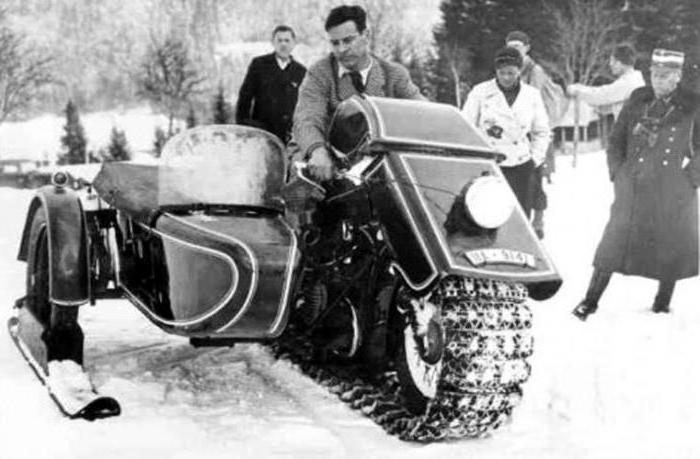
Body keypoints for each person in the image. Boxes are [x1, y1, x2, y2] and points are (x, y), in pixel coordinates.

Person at [572, 49, 700, 320]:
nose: (658, 81)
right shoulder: (638, 99)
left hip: (671, 189)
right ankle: (590, 301)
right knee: (612, 242)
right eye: (654, 74)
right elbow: (616, 140)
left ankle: (662, 302)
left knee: (670, 244)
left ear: (677, 77)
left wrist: (690, 179)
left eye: (665, 76)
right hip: (633, 184)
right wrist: (618, 172)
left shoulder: (692, 105)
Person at [292, 5, 423, 182]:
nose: (341, 50)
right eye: (335, 43)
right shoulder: (319, 72)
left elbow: (424, 112)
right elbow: (307, 117)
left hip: (376, 160)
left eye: (348, 40)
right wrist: (317, 150)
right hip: (325, 154)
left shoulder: (394, 74)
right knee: (303, 188)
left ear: (366, 36)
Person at [462, 46, 550, 217]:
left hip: (521, 164)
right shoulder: (480, 92)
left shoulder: (531, 95)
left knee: (520, 215)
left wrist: (534, 159)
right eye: (502, 73)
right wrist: (477, 158)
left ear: (519, 71)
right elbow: (467, 127)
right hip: (490, 165)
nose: (506, 77)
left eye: (511, 73)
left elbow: (542, 131)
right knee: (489, 215)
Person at [506, 30, 569, 239]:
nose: (514, 49)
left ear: (526, 48)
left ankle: (538, 221)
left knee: (534, 177)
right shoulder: (509, 69)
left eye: (518, 46)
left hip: (534, 135)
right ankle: (519, 221)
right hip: (515, 135)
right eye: (511, 45)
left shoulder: (535, 71)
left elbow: (528, 102)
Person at [236, 25, 307, 143]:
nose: (283, 44)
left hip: (288, 135)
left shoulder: (300, 71)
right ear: (273, 43)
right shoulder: (259, 65)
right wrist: (244, 127)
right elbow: (245, 98)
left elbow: (304, 105)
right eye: (279, 40)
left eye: (287, 40)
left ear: (294, 43)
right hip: (262, 134)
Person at [567, 44, 645, 120]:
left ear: (620, 63)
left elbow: (601, 95)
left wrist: (577, 91)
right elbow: (608, 106)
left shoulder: (628, 82)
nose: (610, 64)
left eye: (612, 60)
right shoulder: (635, 80)